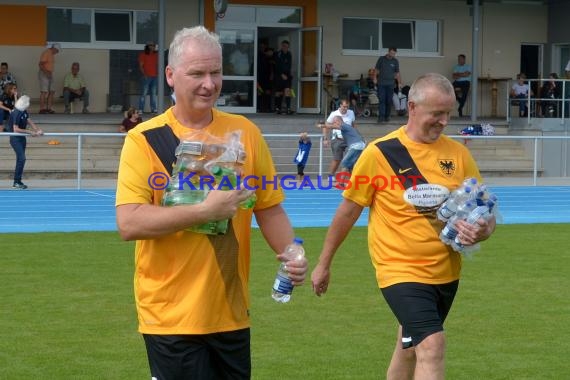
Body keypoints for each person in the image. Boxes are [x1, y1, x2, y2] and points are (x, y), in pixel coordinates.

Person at [115, 26, 308, 379]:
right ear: (171, 76)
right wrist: (206, 210)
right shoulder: (144, 139)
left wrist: (291, 252)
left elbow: (268, 206)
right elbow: (130, 223)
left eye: (215, 72)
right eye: (197, 73)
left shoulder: (246, 133)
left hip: (231, 312)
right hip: (170, 316)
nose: (209, 83)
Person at [311, 73, 496, 380]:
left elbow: (483, 213)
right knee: (432, 345)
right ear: (412, 107)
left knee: (409, 349)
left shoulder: (458, 154)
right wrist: (324, 263)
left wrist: (482, 229)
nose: (443, 122)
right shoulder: (380, 153)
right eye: (436, 114)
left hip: (446, 272)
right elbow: (348, 211)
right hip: (400, 271)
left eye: (448, 114)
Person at [6, 95, 44, 189]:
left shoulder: (23, 111)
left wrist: (37, 130)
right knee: (22, 158)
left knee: (21, 159)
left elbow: (29, 120)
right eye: (28, 103)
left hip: (22, 138)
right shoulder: (17, 112)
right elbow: (16, 129)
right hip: (15, 139)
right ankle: (16, 181)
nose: (29, 105)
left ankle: (17, 181)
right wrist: (30, 132)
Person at [322, 98, 355, 177]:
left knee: (350, 158)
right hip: (337, 139)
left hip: (348, 139)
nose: (345, 109)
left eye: (347, 107)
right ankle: (331, 175)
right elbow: (325, 126)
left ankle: (349, 177)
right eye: (344, 107)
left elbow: (353, 125)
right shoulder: (334, 114)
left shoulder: (351, 113)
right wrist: (325, 139)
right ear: (340, 105)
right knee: (337, 159)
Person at [375, 47, 401, 123]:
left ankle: (387, 116)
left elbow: (397, 73)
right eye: (392, 53)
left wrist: (399, 82)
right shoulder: (381, 59)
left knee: (389, 101)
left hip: (390, 84)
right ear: (388, 52)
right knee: (382, 100)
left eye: (394, 53)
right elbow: (376, 69)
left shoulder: (395, 61)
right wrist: (374, 78)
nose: (393, 55)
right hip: (381, 83)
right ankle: (381, 117)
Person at [38, 43, 61, 114]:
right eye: (57, 51)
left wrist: (49, 73)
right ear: (54, 48)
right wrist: (46, 73)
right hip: (44, 73)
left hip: (50, 73)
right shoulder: (46, 52)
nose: (56, 53)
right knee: (44, 91)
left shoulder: (52, 54)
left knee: (52, 91)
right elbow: (40, 64)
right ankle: (42, 109)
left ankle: (49, 108)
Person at [273, 40, 293, 115]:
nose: (285, 48)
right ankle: (277, 108)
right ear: (281, 46)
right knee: (279, 92)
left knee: (287, 91)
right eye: (284, 46)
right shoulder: (278, 54)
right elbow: (276, 66)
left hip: (287, 76)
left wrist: (288, 74)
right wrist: (281, 74)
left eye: (287, 47)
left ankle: (288, 108)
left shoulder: (289, 54)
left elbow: (289, 65)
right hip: (279, 76)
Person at [138, 41, 158, 113]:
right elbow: (141, 66)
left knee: (153, 93)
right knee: (144, 93)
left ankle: (154, 109)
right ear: (148, 46)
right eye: (152, 45)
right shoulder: (143, 54)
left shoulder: (156, 55)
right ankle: (140, 109)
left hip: (155, 77)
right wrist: (144, 75)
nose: (154, 47)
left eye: (154, 45)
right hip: (147, 77)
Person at [257, 45, 275, 113]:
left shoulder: (272, 59)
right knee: (262, 94)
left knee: (268, 94)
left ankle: (267, 108)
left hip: (269, 81)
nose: (271, 53)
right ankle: (262, 108)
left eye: (272, 52)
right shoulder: (263, 59)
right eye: (270, 52)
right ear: (266, 52)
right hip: (263, 80)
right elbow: (262, 70)